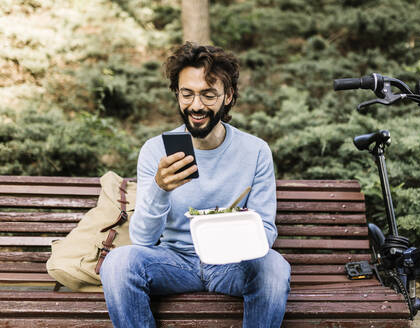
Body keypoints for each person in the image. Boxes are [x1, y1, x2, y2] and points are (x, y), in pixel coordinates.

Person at [100, 42, 291, 328]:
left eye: (208, 94)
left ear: (228, 96)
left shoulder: (255, 151)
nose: (196, 105)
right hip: (173, 262)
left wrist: (232, 231)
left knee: (275, 267)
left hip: (232, 265)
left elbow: (266, 232)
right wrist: (159, 189)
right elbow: (142, 240)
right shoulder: (156, 151)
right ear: (177, 94)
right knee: (118, 263)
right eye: (187, 94)